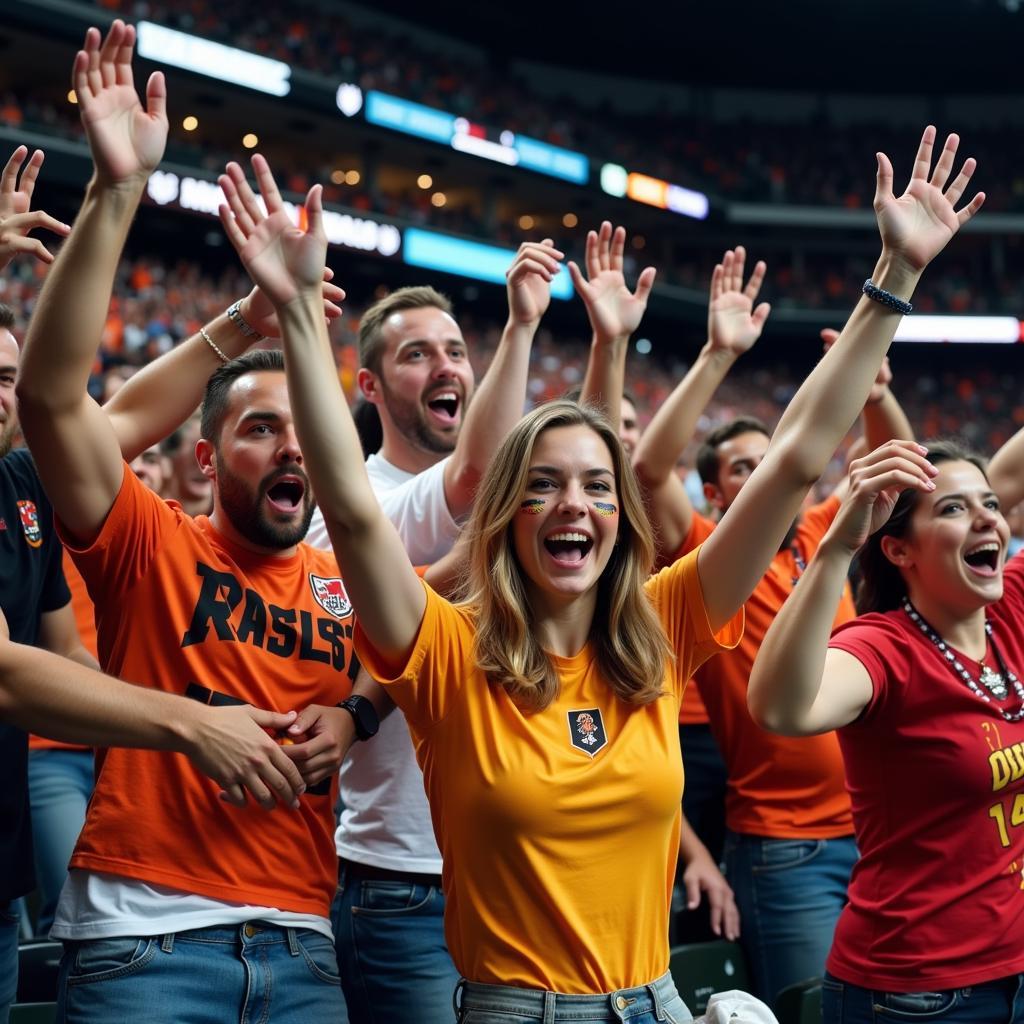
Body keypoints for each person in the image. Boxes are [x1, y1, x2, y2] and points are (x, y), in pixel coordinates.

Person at [216, 116, 978, 1021]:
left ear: (621, 519)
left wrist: (895, 277)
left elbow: (796, 456)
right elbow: (347, 505)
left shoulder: (664, 629)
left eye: (595, 488)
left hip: (653, 1003)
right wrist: (301, 313)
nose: (574, 506)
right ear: (505, 518)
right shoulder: (445, 654)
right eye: (542, 487)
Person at [17, 22, 354, 1023]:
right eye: (260, 429)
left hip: (306, 944)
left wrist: (357, 713)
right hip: (144, 942)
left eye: (305, 431)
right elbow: (51, 404)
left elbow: (443, 623)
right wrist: (115, 191)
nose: (291, 448)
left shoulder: (347, 581)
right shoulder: (152, 538)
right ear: (206, 458)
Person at [629, 245, 916, 1004]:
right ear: (718, 495)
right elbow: (648, 474)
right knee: (814, 1013)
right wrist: (718, 357)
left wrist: (877, 390)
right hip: (783, 846)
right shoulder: (700, 556)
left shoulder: (828, 528)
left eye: (769, 459)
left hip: (877, 827)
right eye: (739, 468)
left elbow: (902, 467)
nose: (760, 473)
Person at [306, 231, 566, 1020]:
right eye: (418, 355)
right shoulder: (349, 514)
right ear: (371, 387)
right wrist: (520, 327)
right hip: (406, 881)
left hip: (521, 868)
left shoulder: (525, 512)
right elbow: (479, 480)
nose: (447, 365)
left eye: (457, 349)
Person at [746, 437, 1024, 1022]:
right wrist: (837, 547)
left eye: (990, 504)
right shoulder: (883, 646)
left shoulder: (1012, 611)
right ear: (899, 551)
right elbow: (782, 709)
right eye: (952, 508)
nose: (984, 520)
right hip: (918, 994)